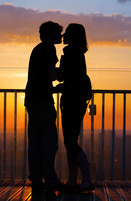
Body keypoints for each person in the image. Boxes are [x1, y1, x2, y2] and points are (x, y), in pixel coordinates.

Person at [25, 21, 63, 193]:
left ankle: (36, 179)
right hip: (43, 101)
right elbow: (52, 74)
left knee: (35, 142)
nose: (60, 36)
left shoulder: (37, 49)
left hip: (32, 100)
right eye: (58, 33)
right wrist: (66, 74)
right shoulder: (49, 49)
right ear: (50, 34)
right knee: (49, 142)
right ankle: (50, 180)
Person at [56, 23, 95, 192]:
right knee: (71, 142)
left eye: (67, 32)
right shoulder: (77, 53)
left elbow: (64, 77)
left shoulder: (71, 53)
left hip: (72, 101)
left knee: (71, 142)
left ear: (72, 36)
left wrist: (53, 73)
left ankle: (86, 179)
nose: (63, 35)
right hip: (77, 101)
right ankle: (73, 180)